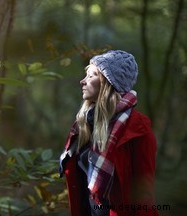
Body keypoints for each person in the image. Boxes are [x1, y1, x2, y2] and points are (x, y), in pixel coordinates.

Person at [59, 50, 158, 216]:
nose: (83, 81)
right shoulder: (83, 125)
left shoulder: (137, 127)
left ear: (108, 83)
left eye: (91, 76)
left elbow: (144, 193)